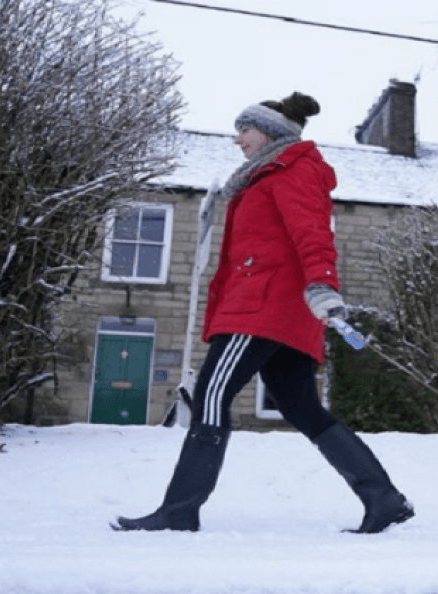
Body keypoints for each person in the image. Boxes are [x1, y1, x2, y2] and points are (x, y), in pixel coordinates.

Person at [112, 92, 414, 534]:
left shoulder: (291, 169)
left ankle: (179, 510)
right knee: (302, 408)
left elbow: (312, 233)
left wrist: (323, 285)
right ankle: (383, 499)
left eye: (245, 130)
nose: (238, 139)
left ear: (270, 132)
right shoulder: (265, 174)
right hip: (277, 310)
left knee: (212, 395)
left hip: (262, 308)